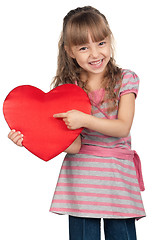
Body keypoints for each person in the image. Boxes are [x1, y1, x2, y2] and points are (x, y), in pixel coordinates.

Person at [8, 6, 146, 240]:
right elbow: (74, 146)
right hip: (82, 179)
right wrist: (30, 138)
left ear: (109, 40)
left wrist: (83, 119)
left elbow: (122, 127)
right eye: (84, 47)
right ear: (70, 51)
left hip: (118, 177)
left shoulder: (126, 78)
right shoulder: (67, 91)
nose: (95, 54)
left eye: (101, 43)